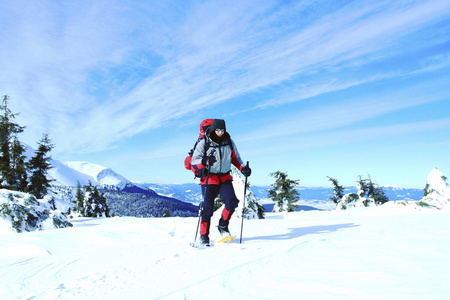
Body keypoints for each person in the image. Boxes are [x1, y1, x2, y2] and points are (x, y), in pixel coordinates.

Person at [191, 119, 251, 245]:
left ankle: (223, 226)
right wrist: (204, 162)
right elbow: (194, 161)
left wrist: (242, 169)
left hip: (224, 177)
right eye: (218, 130)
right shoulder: (205, 142)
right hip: (209, 178)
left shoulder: (228, 141)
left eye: (222, 130)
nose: (220, 132)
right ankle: (203, 236)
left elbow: (235, 158)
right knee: (207, 208)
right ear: (213, 129)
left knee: (232, 202)